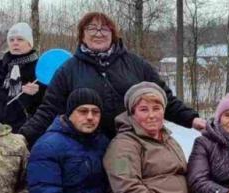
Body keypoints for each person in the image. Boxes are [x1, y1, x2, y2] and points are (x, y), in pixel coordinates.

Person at [19, 12, 205, 146]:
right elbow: (48, 110)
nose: (98, 33)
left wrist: (192, 119)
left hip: (135, 146)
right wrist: (24, 136)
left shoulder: (136, 65)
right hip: (87, 149)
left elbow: (165, 100)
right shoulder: (68, 70)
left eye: (104, 29)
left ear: (113, 34)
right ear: (82, 35)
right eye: (91, 28)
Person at [0, 22, 45, 133]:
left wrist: (36, 93)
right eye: (11, 40)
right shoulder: (0, 66)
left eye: (20, 39)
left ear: (29, 43)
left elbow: (49, 103)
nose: (15, 43)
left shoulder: (40, 68)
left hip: (28, 130)